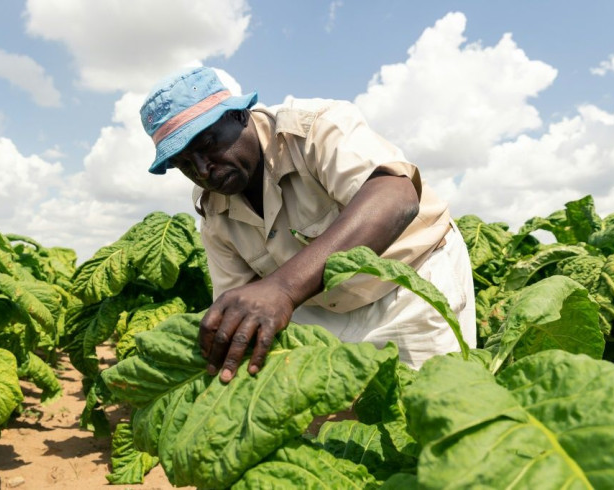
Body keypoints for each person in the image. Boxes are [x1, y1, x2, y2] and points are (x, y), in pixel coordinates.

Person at [140, 66, 476, 382]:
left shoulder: (312, 128)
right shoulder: (214, 210)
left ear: (240, 115)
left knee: (430, 414)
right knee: (344, 426)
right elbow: (238, 301)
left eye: (208, 145)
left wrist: (282, 288)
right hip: (324, 311)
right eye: (184, 164)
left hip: (411, 285)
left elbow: (395, 195)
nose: (202, 170)